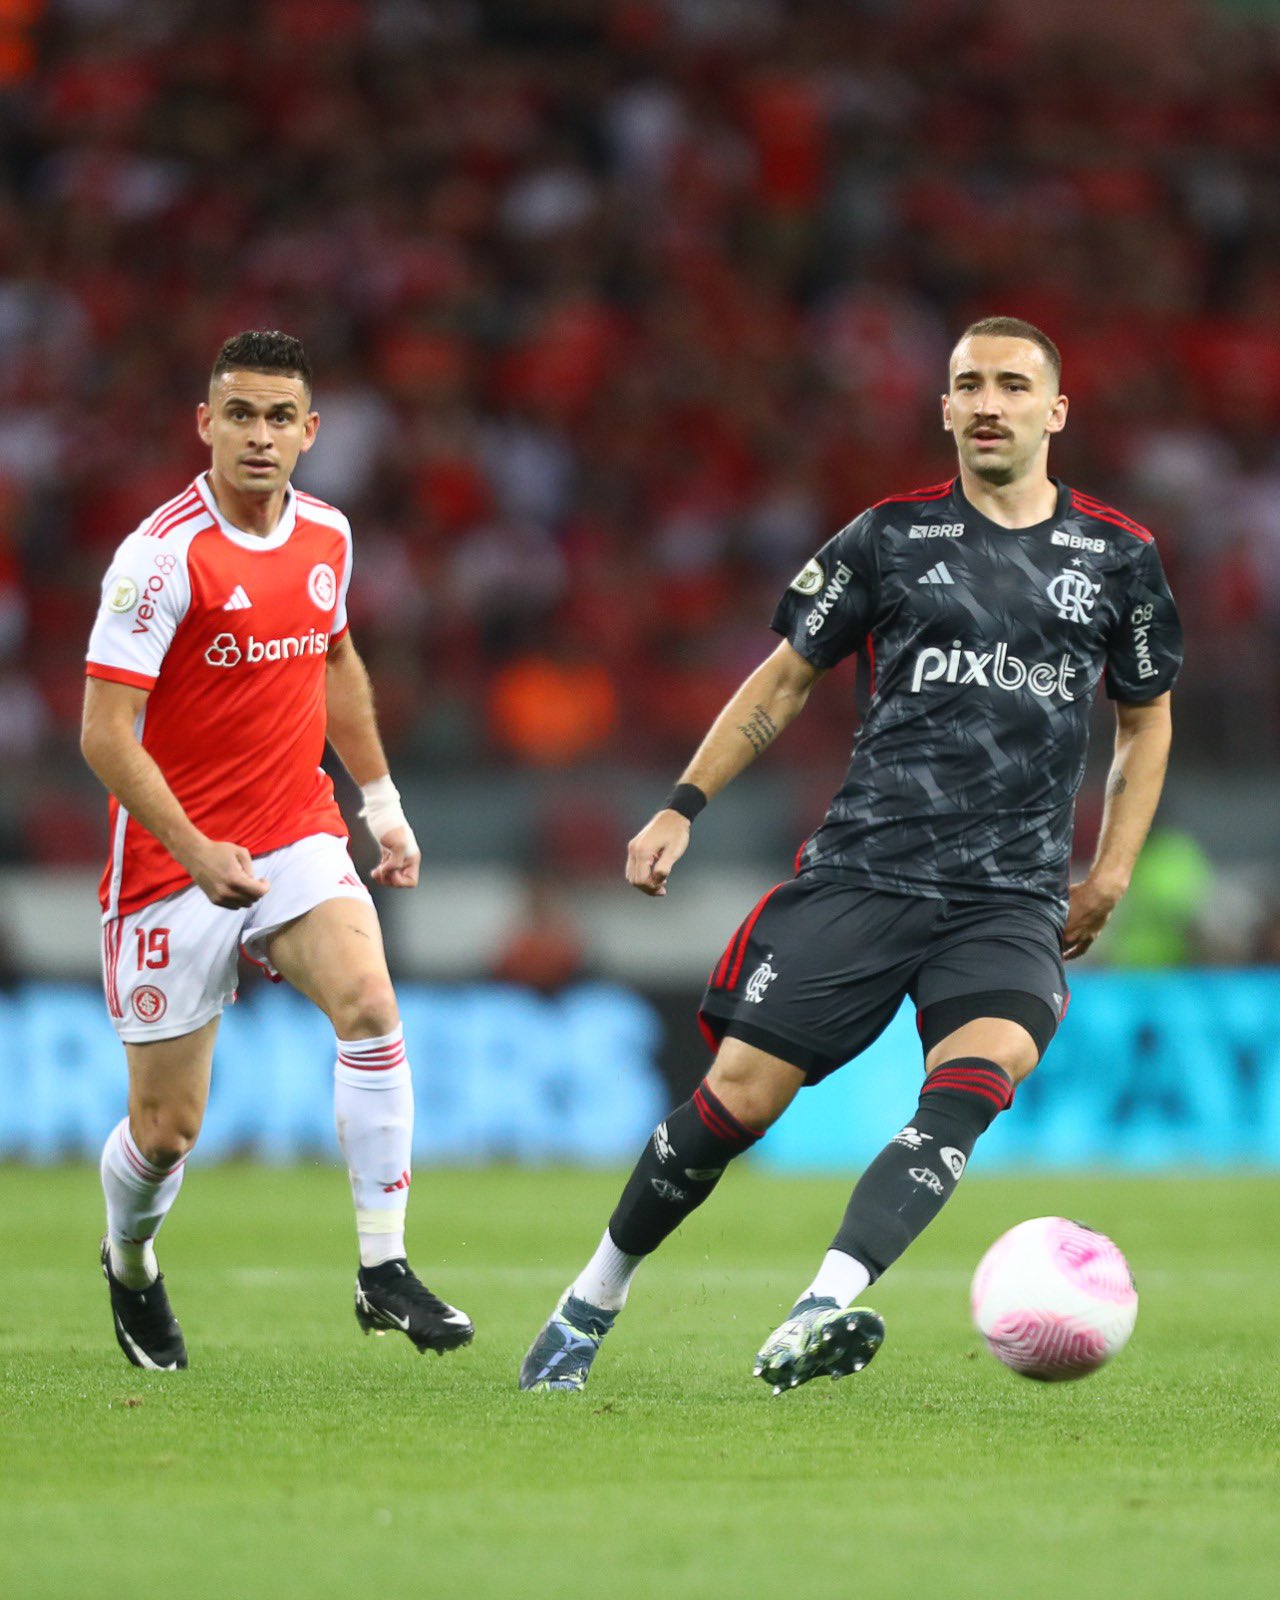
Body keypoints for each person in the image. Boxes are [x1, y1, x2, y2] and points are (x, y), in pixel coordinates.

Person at [519, 316, 1183, 1394]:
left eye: (1011, 385)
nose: (985, 402)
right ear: (943, 408)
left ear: (1053, 410)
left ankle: (819, 1304)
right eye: (966, 384)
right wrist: (682, 802)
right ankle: (589, 1299)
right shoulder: (885, 539)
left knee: (974, 1080)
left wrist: (1105, 872)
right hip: (866, 870)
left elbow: (1145, 720)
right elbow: (782, 678)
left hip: (1007, 895)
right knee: (732, 1103)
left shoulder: (1117, 557)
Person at [82, 330, 472, 1370]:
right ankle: (129, 1262)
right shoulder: (161, 556)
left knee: (371, 1004)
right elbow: (102, 733)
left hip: (295, 827)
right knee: (166, 1131)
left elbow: (334, 658)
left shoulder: (328, 536)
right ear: (204, 425)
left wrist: (379, 800)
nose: (259, 436)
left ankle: (382, 1268)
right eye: (238, 415)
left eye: (277, 417)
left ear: (310, 432)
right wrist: (195, 845)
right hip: (172, 860)